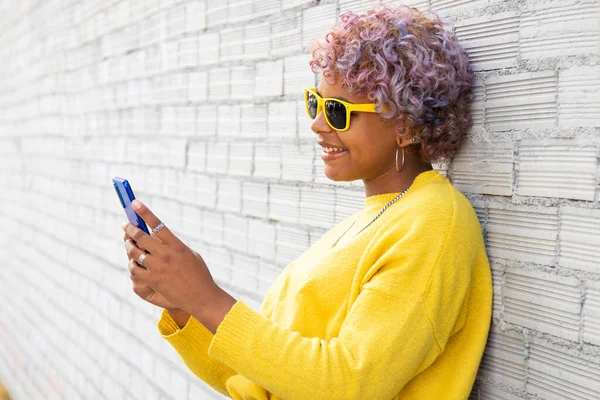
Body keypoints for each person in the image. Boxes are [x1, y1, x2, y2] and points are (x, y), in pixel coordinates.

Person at [121, 4, 492, 399]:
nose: (317, 124)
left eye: (337, 110)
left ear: (405, 125)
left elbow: (348, 384)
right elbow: (264, 379)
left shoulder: (436, 220)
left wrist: (205, 297)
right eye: (316, 103)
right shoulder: (368, 222)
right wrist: (183, 305)